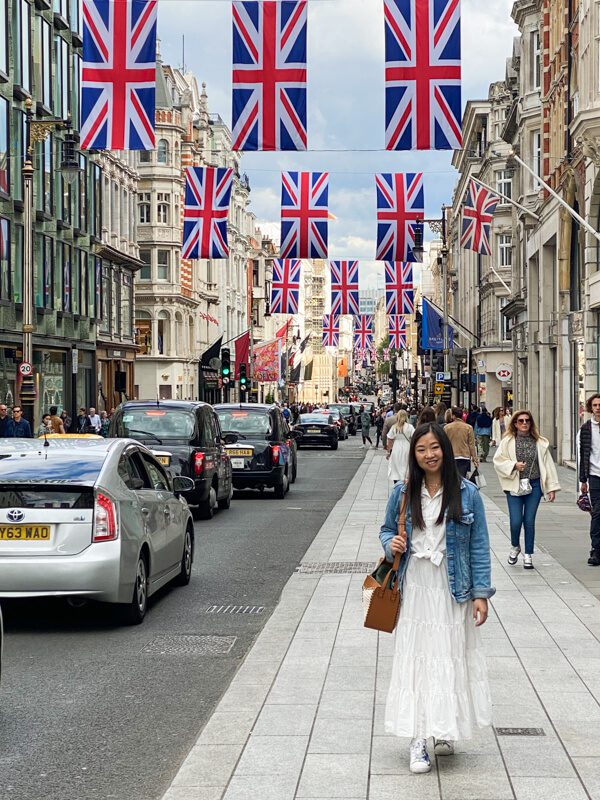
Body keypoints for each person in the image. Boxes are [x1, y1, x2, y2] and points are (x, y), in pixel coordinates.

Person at [379, 423, 494, 774]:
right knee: (417, 659)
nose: (428, 455)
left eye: (434, 448)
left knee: (448, 655)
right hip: (414, 586)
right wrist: (391, 544)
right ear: (413, 455)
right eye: (421, 449)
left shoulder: (467, 493)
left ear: (444, 449)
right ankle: (418, 738)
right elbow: (386, 529)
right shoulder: (402, 492)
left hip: (451, 586)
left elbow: (478, 545)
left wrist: (480, 594)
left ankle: (443, 729)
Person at [493, 409, 560, 570]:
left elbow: (548, 466)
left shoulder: (539, 442)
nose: (524, 423)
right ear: (515, 424)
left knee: (529, 520)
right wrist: (513, 466)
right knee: (516, 521)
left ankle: (528, 554)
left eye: (527, 421)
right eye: (521, 421)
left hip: (534, 485)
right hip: (514, 485)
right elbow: (498, 461)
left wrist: (551, 488)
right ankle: (515, 546)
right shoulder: (508, 441)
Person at [577, 393, 600, 566]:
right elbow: (583, 455)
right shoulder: (586, 428)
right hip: (594, 475)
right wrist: (582, 481)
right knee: (597, 513)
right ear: (590, 408)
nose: (598, 408)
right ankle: (596, 550)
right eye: (595, 405)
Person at [444, 407, 479, 477]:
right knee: (462, 477)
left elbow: (444, 443)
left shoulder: (447, 428)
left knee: (452, 477)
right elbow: (471, 444)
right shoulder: (468, 427)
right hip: (464, 456)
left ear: (453, 416)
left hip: (451, 455)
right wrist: (475, 459)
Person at [386, 410, 414, 483]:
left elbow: (389, 440)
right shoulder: (410, 427)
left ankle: (397, 484)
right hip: (407, 448)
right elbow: (415, 437)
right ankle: (406, 482)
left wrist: (388, 452)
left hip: (396, 449)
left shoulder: (394, 427)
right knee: (406, 466)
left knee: (396, 468)